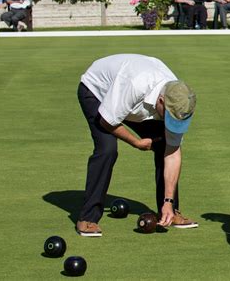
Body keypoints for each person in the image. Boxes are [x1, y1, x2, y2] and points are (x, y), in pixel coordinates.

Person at [77, 54, 198, 237]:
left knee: (165, 143)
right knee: (107, 149)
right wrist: (135, 142)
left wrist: (168, 200)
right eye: (168, 117)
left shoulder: (179, 100)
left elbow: (172, 153)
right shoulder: (136, 84)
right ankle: (87, 217)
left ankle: (169, 211)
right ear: (161, 102)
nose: (171, 123)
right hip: (97, 92)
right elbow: (106, 121)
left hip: (133, 105)